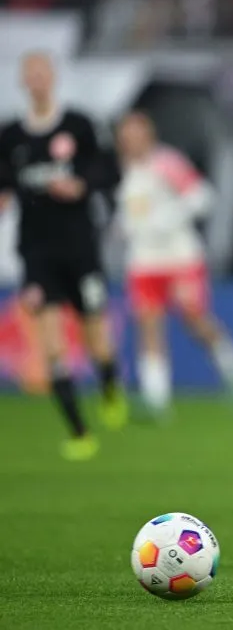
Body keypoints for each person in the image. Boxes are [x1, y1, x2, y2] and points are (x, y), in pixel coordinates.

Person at [0, 51, 128, 461]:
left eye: (42, 72)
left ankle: (109, 384)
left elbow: (110, 170)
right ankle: (79, 431)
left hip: (81, 249)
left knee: (97, 341)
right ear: (23, 81)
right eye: (29, 73)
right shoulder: (11, 137)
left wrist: (82, 185)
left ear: (52, 77)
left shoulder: (79, 126)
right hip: (37, 254)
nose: (36, 79)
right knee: (52, 346)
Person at [115, 111, 233, 416]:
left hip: (179, 256)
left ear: (148, 135)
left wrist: (166, 218)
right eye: (125, 136)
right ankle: (156, 398)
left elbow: (202, 196)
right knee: (148, 324)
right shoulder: (120, 170)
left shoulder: (166, 162)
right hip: (144, 260)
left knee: (195, 319)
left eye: (136, 134)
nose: (130, 141)